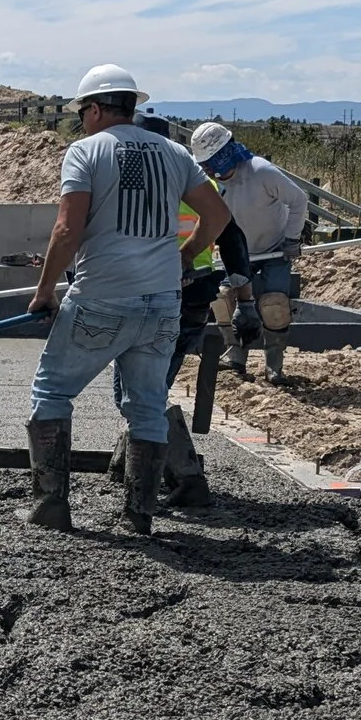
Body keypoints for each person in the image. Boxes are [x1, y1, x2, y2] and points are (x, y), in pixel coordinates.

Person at [23, 66, 232, 536]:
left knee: (52, 392)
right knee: (147, 405)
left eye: (82, 113)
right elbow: (217, 214)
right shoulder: (175, 153)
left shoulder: (86, 151)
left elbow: (66, 229)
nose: (82, 122)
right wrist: (181, 260)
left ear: (94, 109)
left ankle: (50, 506)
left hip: (102, 296)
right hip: (161, 305)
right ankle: (140, 514)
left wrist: (45, 291)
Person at [104, 115, 250, 509]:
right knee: (146, 388)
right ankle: (129, 465)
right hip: (193, 297)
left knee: (137, 394)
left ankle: (186, 476)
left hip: (162, 296)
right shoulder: (197, 181)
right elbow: (233, 236)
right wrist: (243, 293)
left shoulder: (148, 180)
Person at [189, 121, 310, 384]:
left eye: (211, 163)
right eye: (204, 165)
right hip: (236, 252)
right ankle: (235, 357)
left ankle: (274, 366)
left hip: (274, 249)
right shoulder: (207, 182)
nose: (208, 169)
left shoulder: (261, 172)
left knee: (274, 305)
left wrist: (291, 239)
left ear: (225, 154)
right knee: (222, 300)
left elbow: (299, 200)